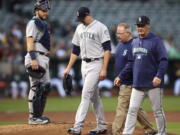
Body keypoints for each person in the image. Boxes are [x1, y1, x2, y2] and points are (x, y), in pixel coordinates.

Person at [114, 16, 168, 135]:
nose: (140, 28)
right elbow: (130, 63)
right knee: (132, 110)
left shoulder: (156, 41)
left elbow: (163, 60)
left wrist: (159, 75)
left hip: (153, 83)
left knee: (157, 111)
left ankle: (162, 133)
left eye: (142, 25)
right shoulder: (134, 42)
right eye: (138, 26)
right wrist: (121, 76)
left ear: (148, 26)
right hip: (137, 83)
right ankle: (127, 133)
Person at [64, 7, 111, 135]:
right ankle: (101, 125)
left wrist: (104, 68)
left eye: (82, 18)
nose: (80, 21)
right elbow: (75, 50)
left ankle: (77, 127)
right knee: (94, 97)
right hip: (83, 64)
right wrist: (68, 67)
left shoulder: (100, 27)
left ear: (88, 15)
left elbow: (107, 49)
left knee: (85, 94)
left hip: (96, 63)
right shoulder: (79, 28)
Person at [24, 0, 51, 125]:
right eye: (43, 10)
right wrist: (33, 59)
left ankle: (38, 115)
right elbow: (30, 42)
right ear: (36, 11)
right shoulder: (33, 23)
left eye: (47, 10)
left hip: (43, 57)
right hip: (36, 57)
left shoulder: (42, 24)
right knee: (36, 87)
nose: (46, 12)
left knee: (46, 87)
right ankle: (32, 118)